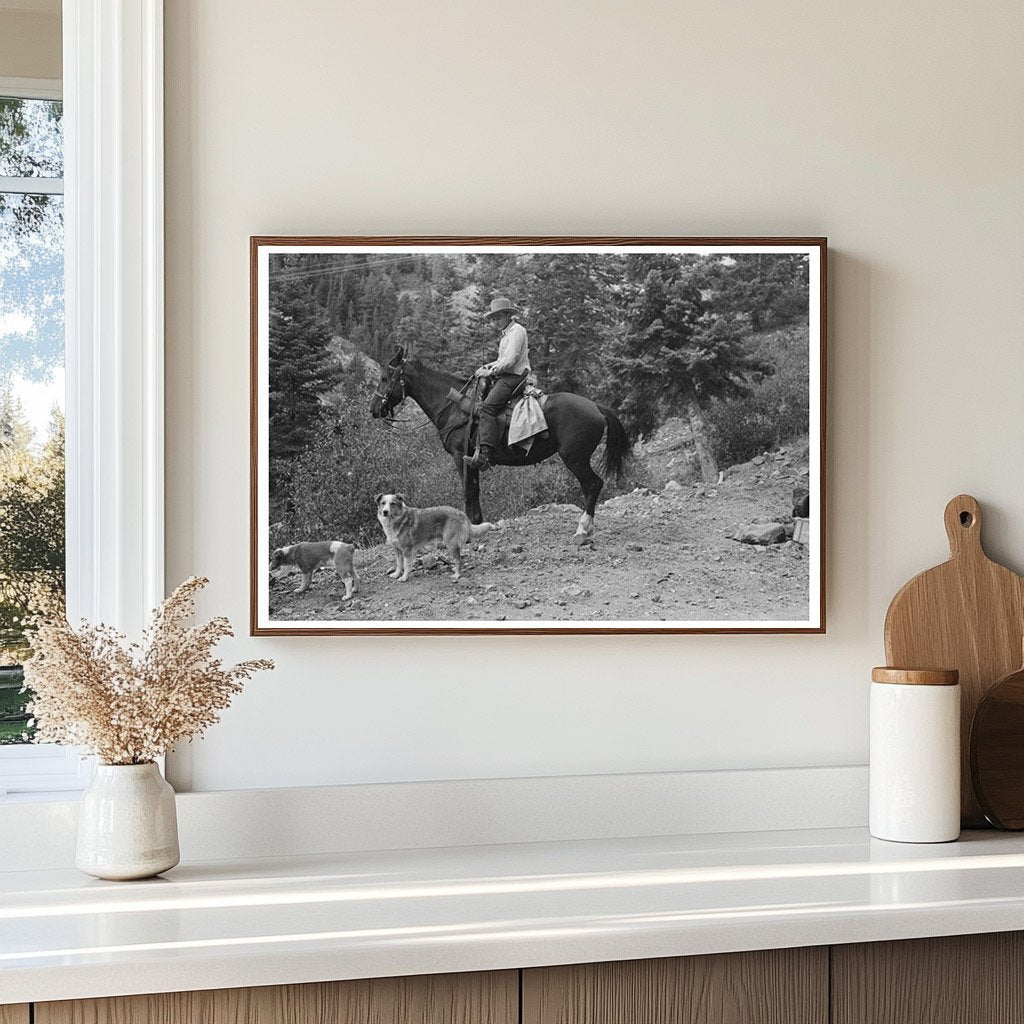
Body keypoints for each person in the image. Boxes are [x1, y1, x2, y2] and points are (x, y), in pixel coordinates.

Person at [463, 297, 531, 471]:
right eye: (494, 319)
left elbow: (511, 360)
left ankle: (485, 455)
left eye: (498, 317)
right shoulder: (507, 334)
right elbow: (502, 359)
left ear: (509, 315)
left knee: (487, 408)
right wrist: (488, 366)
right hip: (506, 375)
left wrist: (490, 372)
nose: (495, 322)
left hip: (513, 378)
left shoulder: (517, 331)